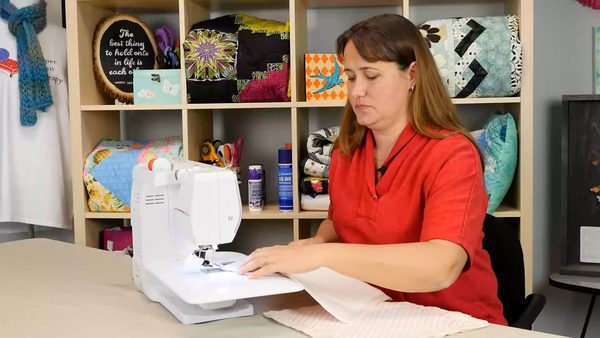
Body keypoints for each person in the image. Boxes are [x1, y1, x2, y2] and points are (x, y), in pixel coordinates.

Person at [238, 13, 507, 326]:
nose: (356, 91)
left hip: (457, 322)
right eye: (351, 77)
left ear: (412, 75)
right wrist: (315, 244)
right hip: (375, 315)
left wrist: (322, 257)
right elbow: (340, 224)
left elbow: (441, 267)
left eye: (371, 76)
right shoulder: (346, 152)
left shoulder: (453, 154)